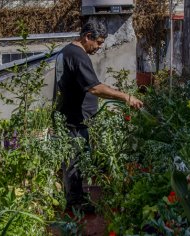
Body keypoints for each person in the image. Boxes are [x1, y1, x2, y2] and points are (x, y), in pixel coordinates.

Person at [54, 20, 143, 210]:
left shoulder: (67, 51)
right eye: (98, 42)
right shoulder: (78, 56)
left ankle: (75, 195)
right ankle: (75, 203)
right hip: (74, 120)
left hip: (71, 117)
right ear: (88, 37)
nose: (99, 47)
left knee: (76, 159)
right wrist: (125, 96)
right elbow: (95, 87)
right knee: (75, 160)